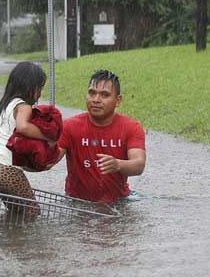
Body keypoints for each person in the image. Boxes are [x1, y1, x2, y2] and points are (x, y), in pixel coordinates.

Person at [54, 69, 146, 203]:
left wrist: (118, 164)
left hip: (118, 202)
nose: (96, 100)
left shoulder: (131, 127)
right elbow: (50, 160)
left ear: (118, 100)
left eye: (104, 95)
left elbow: (138, 165)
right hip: (76, 202)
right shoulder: (69, 126)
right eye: (92, 93)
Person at [0, 61, 55, 216]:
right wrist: (48, 136)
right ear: (28, 86)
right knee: (32, 212)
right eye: (39, 88)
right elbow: (23, 127)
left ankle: (11, 238)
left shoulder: (6, 105)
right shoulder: (23, 106)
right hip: (7, 170)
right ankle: (22, 240)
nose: (40, 94)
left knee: (17, 212)